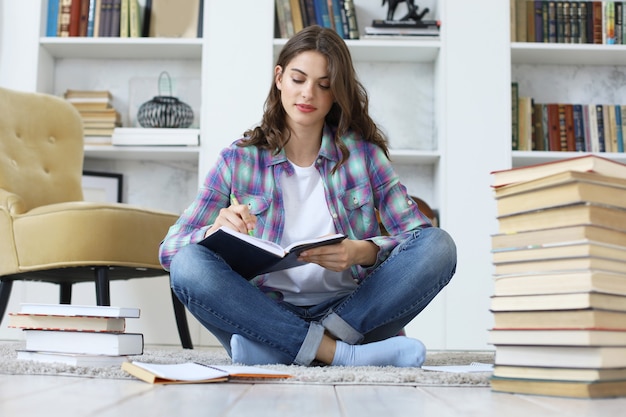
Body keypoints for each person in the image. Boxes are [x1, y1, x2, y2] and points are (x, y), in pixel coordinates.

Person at [159, 25, 457, 367]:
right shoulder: (238, 159)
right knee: (189, 265)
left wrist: (364, 251)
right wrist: (213, 234)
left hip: (351, 312)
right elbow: (170, 249)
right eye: (298, 79)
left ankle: (282, 350)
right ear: (279, 77)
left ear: (336, 94)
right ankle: (337, 355)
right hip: (264, 311)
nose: (308, 94)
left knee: (441, 246)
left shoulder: (364, 156)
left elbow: (419, 237)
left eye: (324, 85)